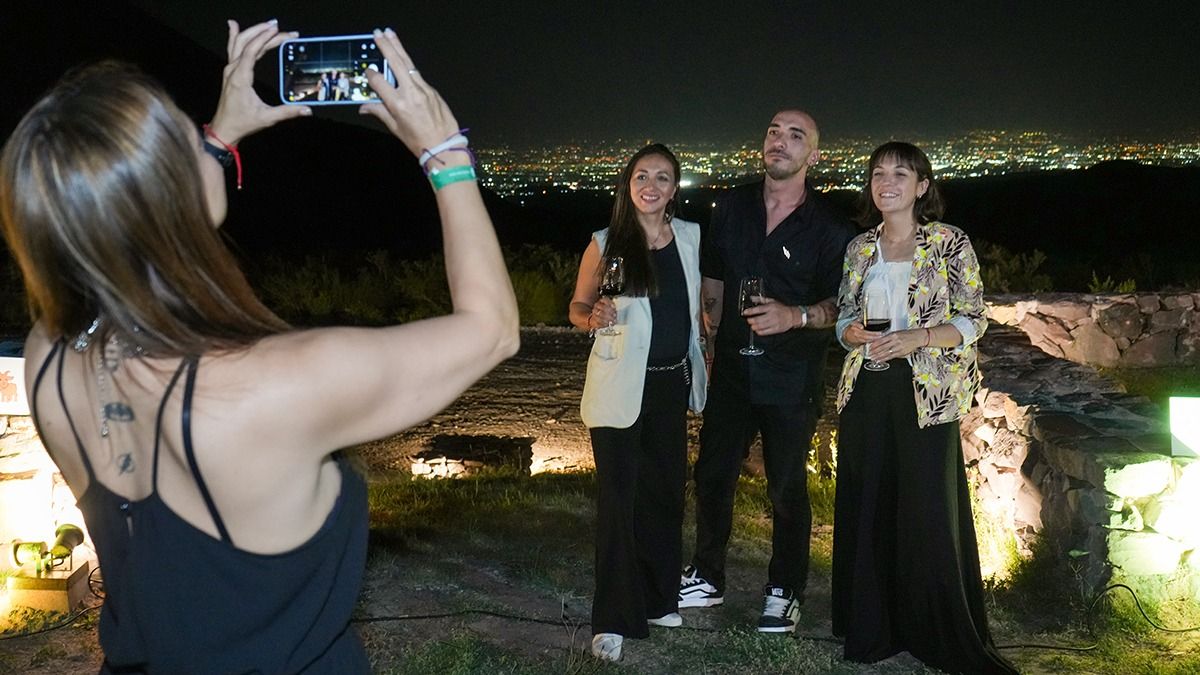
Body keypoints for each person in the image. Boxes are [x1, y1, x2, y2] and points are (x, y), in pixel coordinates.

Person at [0, 21, 518, 674]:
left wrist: (223, 130)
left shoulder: (50, 355)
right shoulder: (279, 383)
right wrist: (444, 154)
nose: (205, 147)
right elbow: (493, 328)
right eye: (190, 143)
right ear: (171, 205)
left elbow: (140, 239)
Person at [831, 141, 1018, 674]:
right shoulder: (858, 249)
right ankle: (872, 625)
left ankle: (935, 626)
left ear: (922, 186)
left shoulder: (949, 243)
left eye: (900, 172)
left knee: (925, 510)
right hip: (866, 392)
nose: (886, 181)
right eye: (877, 173)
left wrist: (918, 338)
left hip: (927, 395)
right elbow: (846, 318)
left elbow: (973, 318)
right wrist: (850, 332)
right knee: (870, 504)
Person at [680, 110, 853, 633]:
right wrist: (707, 331)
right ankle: (707, 577)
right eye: (774, 132)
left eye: (795, 136)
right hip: (732, 368)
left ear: (814, 155)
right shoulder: (731, 205)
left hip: (791, 376)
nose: (780, 141)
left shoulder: (832, 228)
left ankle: (785, 589)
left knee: (785, 487)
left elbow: (841, 306)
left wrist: (794, 316)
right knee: (712, 475)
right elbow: (714, 276)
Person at [568, 143, 708, 661]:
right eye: (642, 176)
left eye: (664, 178)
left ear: (675, 188)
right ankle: (611, 619)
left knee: (665, 495)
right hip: (620, 386)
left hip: (672, 383)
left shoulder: (690, 237)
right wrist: (592, 317)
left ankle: (656, 598)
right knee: (619, 502)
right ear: (628, 185)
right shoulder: (606, 243)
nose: (652, 185)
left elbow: (694, 302)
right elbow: (577, 307)